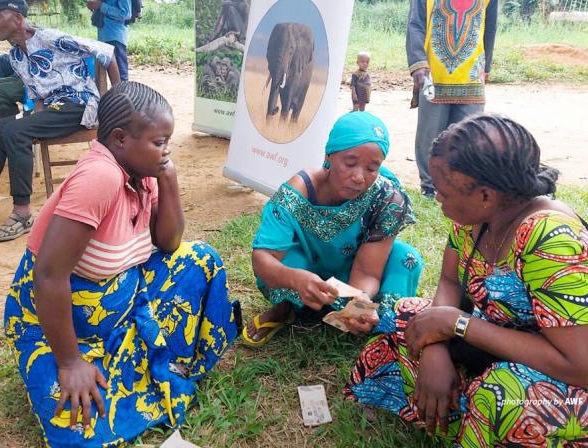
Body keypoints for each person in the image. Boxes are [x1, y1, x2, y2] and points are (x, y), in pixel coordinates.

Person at [3, 80, 239, 446]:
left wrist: (169, 178)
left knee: (201, 261)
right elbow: (48, 275)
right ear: (119, 139)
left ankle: (142, 357)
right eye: (159, 142)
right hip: (62, 322)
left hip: (125, 296)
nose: (167, 151)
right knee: (77, 424)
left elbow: (169, 243)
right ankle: (90, 362)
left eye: (168, 141)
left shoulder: (143, 171)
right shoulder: (100, 177)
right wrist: (69, 362)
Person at [344, 114, 588, 446]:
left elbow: (578, 365)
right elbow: (449, 281)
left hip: (569, 381)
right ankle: (457, 411)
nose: (437, 198)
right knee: (409, 316)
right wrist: (435, 347)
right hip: (498, 343)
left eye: (443, 192)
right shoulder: (475, 216)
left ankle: (471, 415)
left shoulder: (551, 238)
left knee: (503, 392)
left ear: (486, 195)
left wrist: (458, 325)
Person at [0, 0, 121, 242]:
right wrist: (34, 119)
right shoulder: (15, 56)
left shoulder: (50, 37)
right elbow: (37, 96)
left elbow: (107, 52)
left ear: (17, 17)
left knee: (15, 132)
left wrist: (115, 100)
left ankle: (22, 213)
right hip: (52, 110)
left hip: (79, 105)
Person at [242, 112, 424, 347]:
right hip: (307, 270)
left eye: (372, 168)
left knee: (406, 258)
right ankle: (286, 308)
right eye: (350, 163)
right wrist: (295, 279)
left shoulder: (387, 197)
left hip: (352, 274)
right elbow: (262, 259)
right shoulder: (297, 193)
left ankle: (381, 324)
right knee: (284, 261)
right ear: (329, 155)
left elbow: (368, 271)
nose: (359, 177)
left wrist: (360, 302)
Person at [407, 0, 497, 198]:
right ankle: (430, 187)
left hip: (472, 75)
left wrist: (487, 67)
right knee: (430, 133)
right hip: (433, 73)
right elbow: (415, 24)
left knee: (469, 135)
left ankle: (459, 186)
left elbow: (490, 27)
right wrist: (418, 63)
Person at [88, 0, 131, 81]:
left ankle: (123, 93)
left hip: (115, 38)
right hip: (103, 38)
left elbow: (126, 14)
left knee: (121, 80)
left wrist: (101, 6)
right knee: (101, 78)